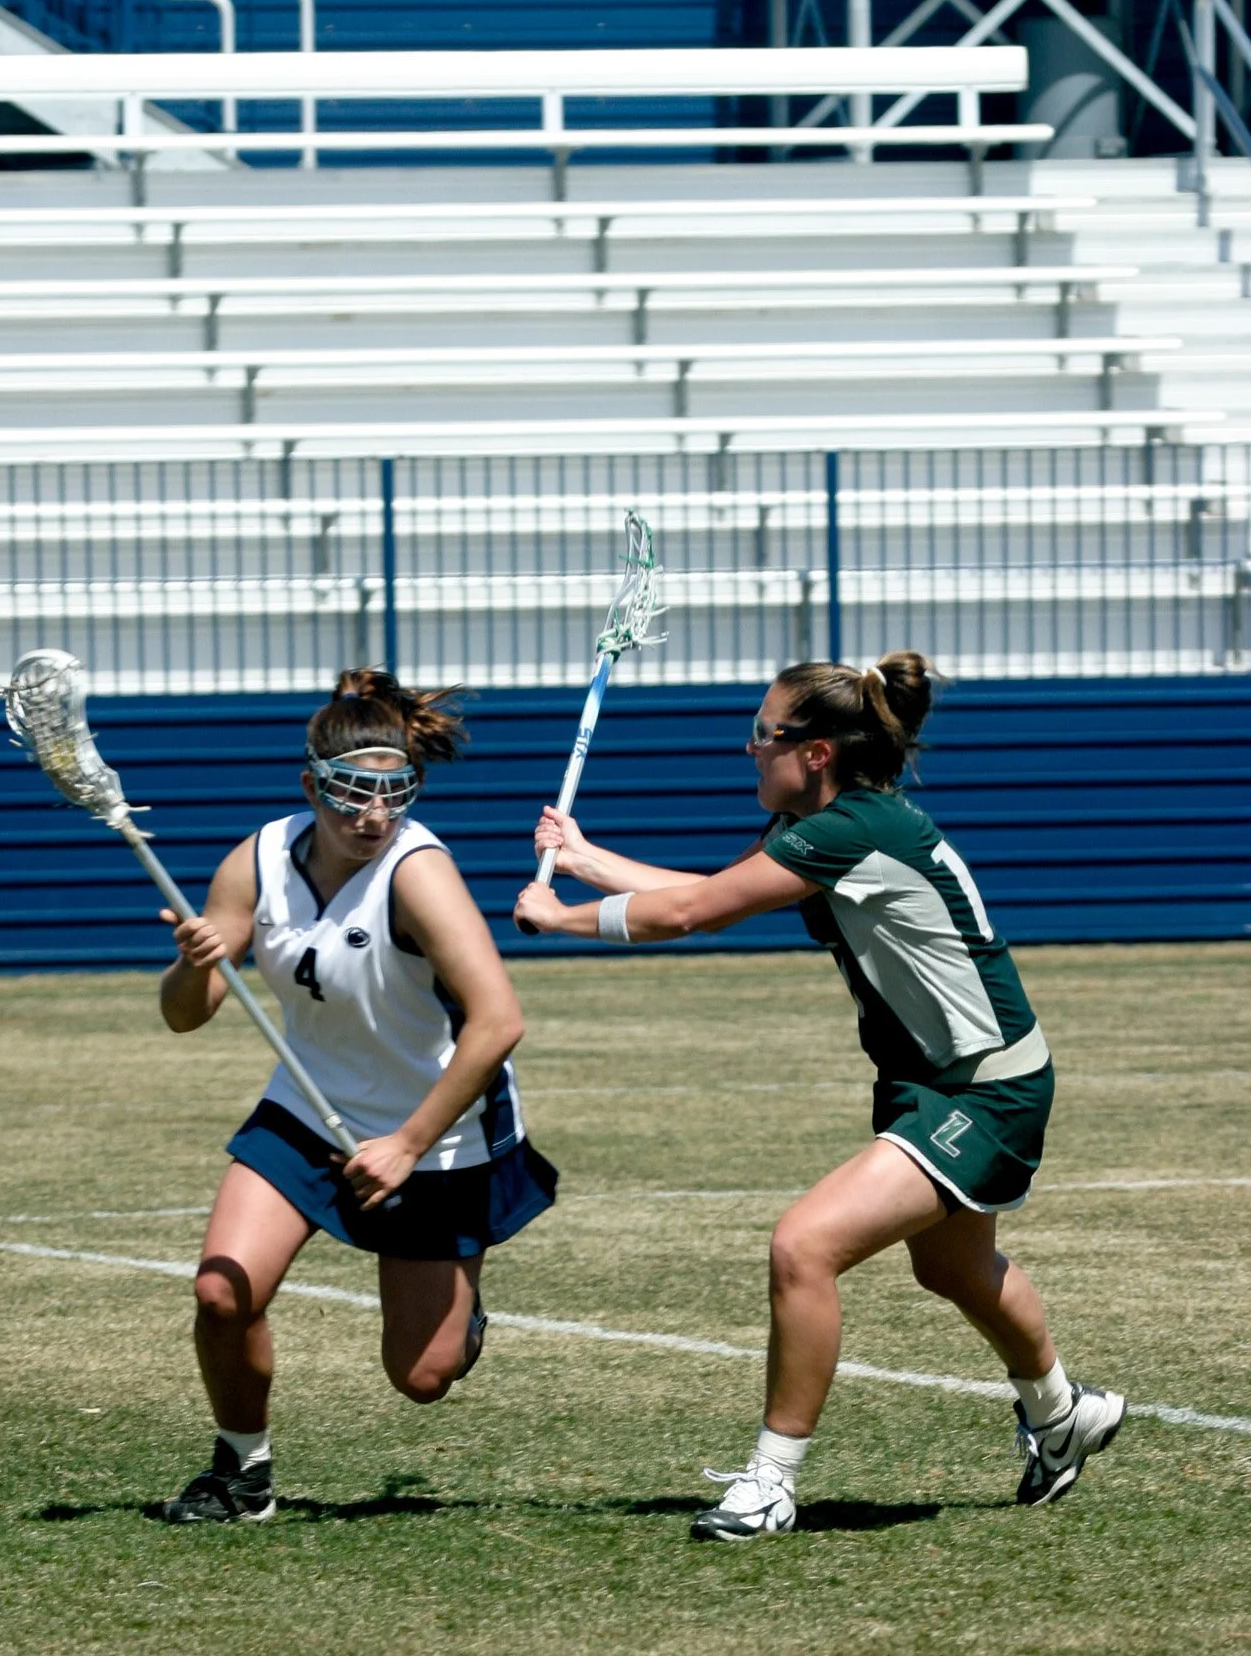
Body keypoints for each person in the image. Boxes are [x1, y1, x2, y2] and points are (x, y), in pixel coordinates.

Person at [514, 651, 1125, 1542]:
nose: (749, 751)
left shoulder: (844, 834)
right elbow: (707, 894)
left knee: (804, 1246)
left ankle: (769, 1483)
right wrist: (581, 857)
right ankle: (1062, 1414)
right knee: (950, 1267)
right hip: (935, 1080)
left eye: (762, 735)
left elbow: (694, 915)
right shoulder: (832, 824)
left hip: (984, 1089)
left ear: (817, 754)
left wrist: (557, 916)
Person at [157, 666, 556, 1524]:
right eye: (350, 793)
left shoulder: (417, 874)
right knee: (222, 1291)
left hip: (437, 1132)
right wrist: (191, 968)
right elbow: (187, 1017)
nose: (373, 815)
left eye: (394, 792)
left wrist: (407, 1143)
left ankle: (464, 1305)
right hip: (306, 1108)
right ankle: (241, 1473)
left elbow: (497, 1022)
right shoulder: (259, 858)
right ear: (311, 784)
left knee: (421, 1378)